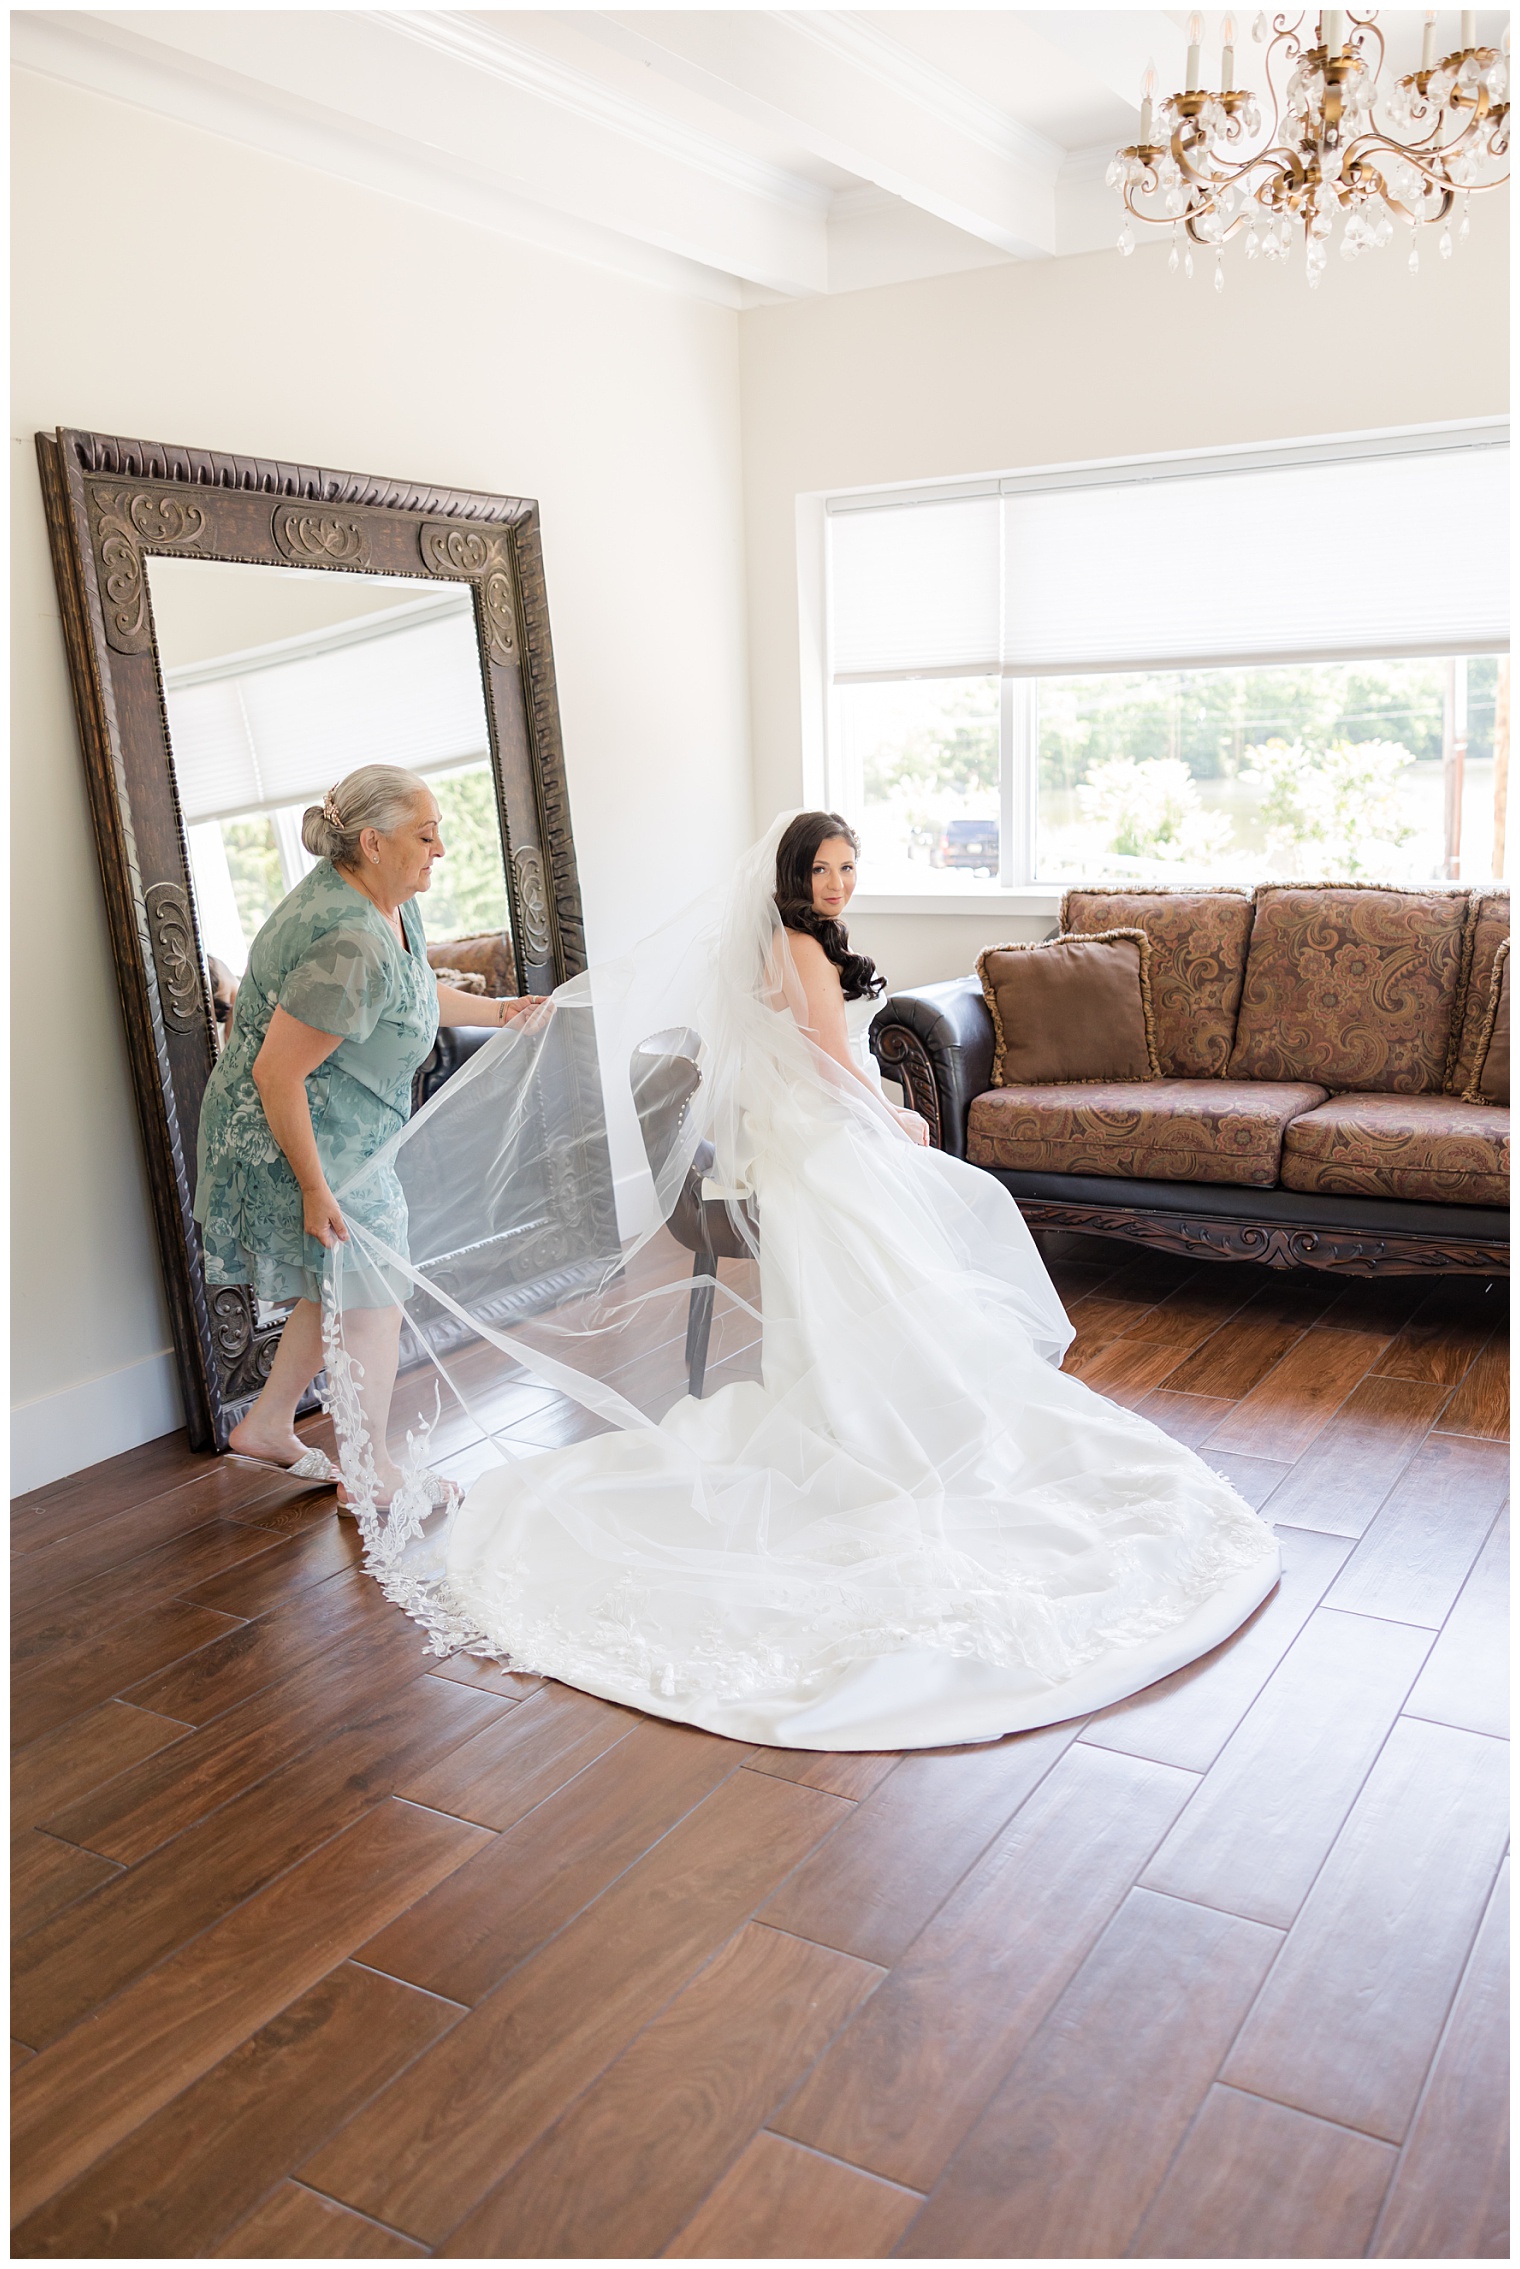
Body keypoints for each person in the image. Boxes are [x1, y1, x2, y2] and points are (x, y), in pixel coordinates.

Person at [322, 809, 1280, 1750]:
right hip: (819, 1142)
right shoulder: (803, 949)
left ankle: (870, 1400)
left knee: (925, 1240)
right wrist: (894, 1123)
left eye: (848, 868)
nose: (837, 884)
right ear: (791, 876)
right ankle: (889, 1418)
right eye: (822, 870)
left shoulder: (792, 942)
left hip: (795, 1143)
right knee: (965, 1205)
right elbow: (829, 1064)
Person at [193, 762, 544, 1502]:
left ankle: (265, 1423)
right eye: (426, 833)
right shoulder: (346, 937)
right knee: (373, 1292)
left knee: (342, 1283)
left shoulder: (389, 901)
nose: (441, 849)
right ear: (372, 841)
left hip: (342, 1121)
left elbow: (410, 995)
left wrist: (501, 1009)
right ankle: (370, 1470)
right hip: (295, 1132)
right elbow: (275, 1075)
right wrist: (315, 1189)